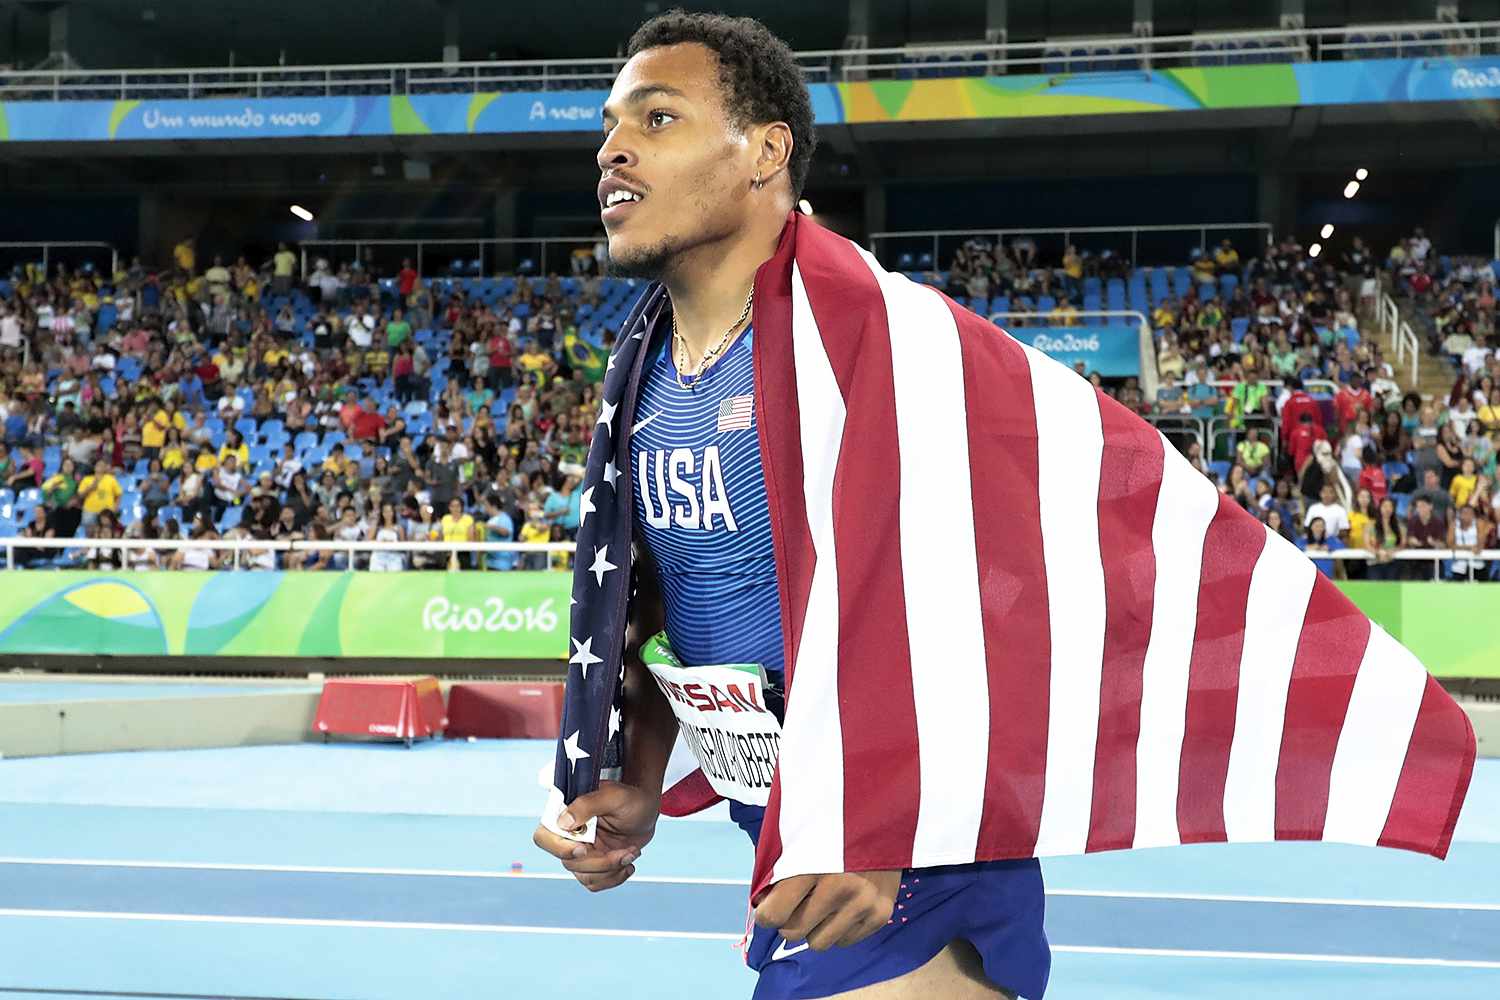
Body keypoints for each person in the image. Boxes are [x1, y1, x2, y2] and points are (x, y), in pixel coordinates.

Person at [532, 15, 1047, 1000]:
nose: (611, 149)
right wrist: (638, 770)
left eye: (660, 117)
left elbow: (990, 599)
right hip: (781, 833)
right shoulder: (642, 371)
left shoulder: (864, 342)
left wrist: (890, 826)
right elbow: (657, 599)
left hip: (913, 857)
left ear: (765, 150)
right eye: (608, 125)